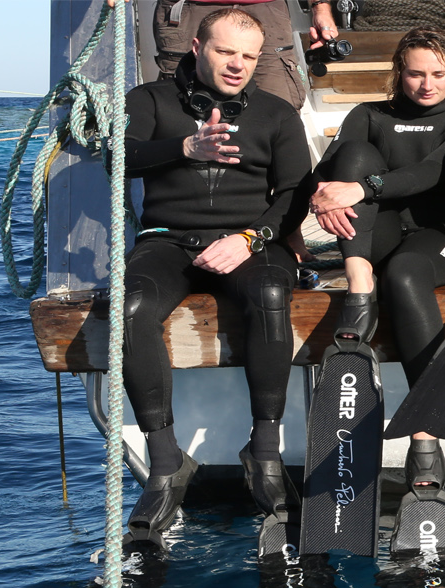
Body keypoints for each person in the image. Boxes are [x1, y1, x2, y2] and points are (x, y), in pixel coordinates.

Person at [122, 7, 312, 546]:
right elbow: (118, 154)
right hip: (167, 241)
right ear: (197, 48)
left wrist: (249, 240)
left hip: (246, 242)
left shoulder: (276, 113)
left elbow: (295, 194)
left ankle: (265, 453)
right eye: (226, 52)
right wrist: (183, 148)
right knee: (131, 308)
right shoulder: (149, 101)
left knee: (273, 294)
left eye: (249, 57)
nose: (238, 66)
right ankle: (165, 464)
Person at [297, 27, 445, 509]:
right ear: (398, 74)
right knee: (352, 154)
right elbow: (332, 170)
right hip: (373, 240)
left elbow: (432, 172)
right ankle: (360, 290)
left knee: (403, 273)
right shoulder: (368, 114)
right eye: (416, 73)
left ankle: (426, 437)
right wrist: (324, 192)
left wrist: (358, 189)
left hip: (440, 241)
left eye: (438, 74)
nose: (427, 84)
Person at [154, 0, 342, 110]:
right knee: (179, 108)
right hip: (190, 9)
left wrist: (321, 7)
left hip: (266, 9)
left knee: (279, 109)